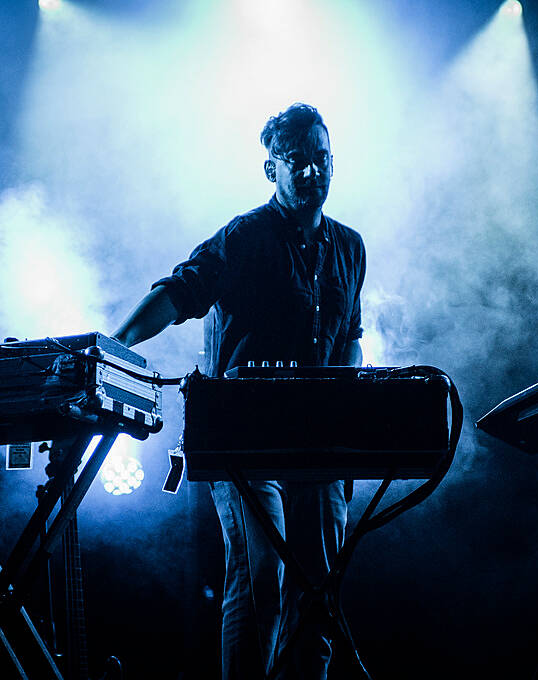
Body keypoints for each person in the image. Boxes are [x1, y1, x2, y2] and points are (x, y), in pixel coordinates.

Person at [112, 102, 365, 680]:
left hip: (320, 442)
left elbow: (349, 333)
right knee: (262, 577)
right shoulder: (246, 235)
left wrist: (348, 390)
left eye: (321, 160)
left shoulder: (350, 247)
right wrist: (119, 345)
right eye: (296, 162)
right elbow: (182, 290)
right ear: (271, 168)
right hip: (243, 437)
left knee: (316, 592)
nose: (311, 173)